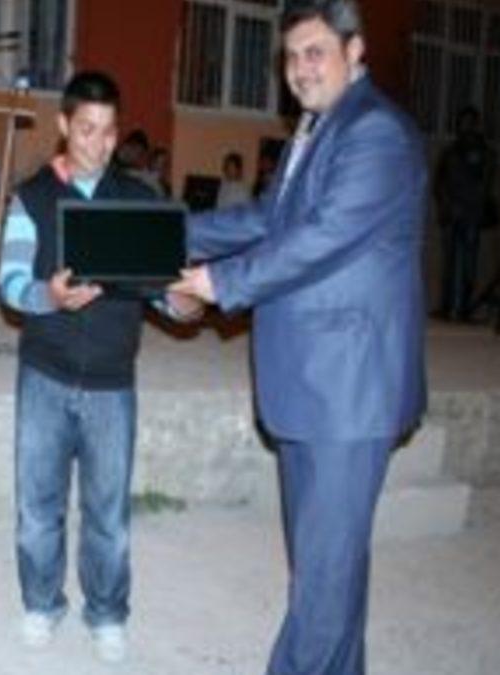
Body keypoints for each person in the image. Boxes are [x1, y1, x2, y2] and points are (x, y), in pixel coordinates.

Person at [170, 2, 428, 673]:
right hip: (311, 384)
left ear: (355, 50)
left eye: (315, 52)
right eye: (291, 56)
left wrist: (220, 281)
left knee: (322, 580)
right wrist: (166, 230)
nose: (300, 69)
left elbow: (320, 239)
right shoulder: (316, 129)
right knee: (329, 572)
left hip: (348, 390)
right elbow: (268, 219)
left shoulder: (375, 133)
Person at [0, 70, 199, 664]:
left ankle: (107, 613)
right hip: (45, 375)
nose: (99, 144)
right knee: (38, 508)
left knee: (108, 514)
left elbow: (163, 290)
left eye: (109, 132)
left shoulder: (139, 200)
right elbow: (10, 284)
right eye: (86, 129)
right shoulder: (31, 197)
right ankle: (41, 603)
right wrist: (49, 297)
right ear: (64, 125)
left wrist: (185, 304)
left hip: (112, 381)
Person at [435, 105, 496, 321]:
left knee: (468, 263)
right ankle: (448, 306)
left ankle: (464, 308)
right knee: (450, 263)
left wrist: (469, 207)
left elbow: (484, 185)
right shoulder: (451, 151)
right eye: (462, 123)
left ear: (476, 125)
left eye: (470, 123)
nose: (465, 127)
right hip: (452, 213)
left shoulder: (483, 152)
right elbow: (439, 181)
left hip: (470, 214)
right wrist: (445, 205)